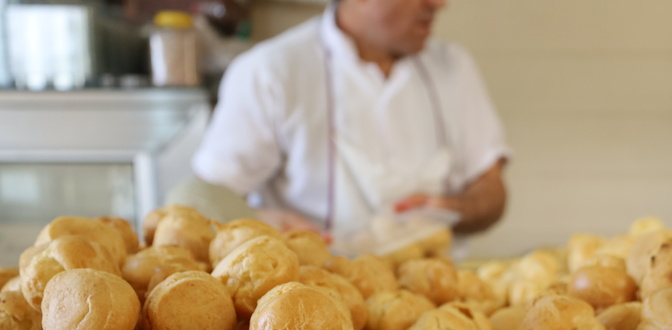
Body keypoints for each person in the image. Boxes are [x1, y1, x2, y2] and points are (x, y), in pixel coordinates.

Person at [172, 0, 509, 252]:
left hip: (439, 292)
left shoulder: (453, 67)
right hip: (311, 308)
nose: (438, 4)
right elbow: (202, 204)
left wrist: (452, 211)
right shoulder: (271, 72)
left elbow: (491, 191)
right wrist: (264, 222)